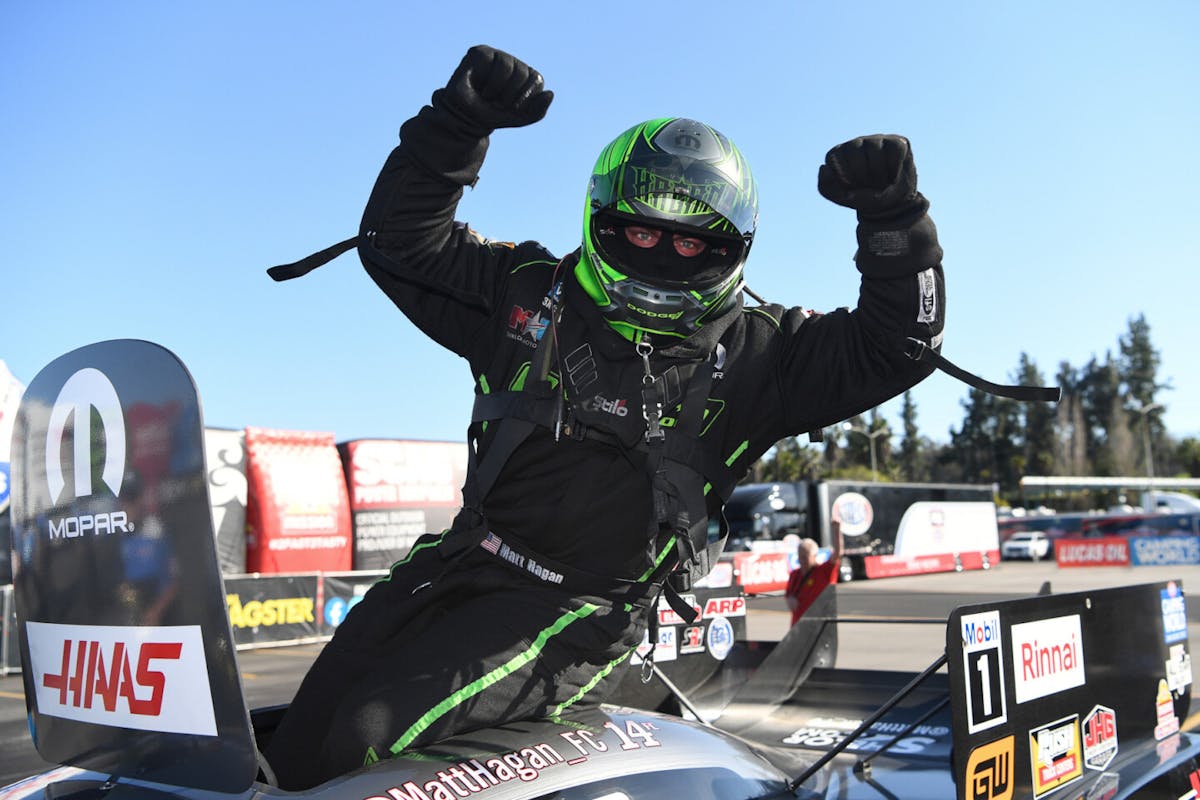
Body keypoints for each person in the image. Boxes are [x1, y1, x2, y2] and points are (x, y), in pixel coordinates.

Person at [264, 44, 946, 789]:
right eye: (643, 232)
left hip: (578, 615)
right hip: (460, 561)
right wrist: (457, 122)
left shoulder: (763, 355)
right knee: (298, 742)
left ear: (730, 250)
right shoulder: (528, 291)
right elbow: (398, 243)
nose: (663, 254)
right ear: (603, 221)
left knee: (363, 746)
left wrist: (894, 219)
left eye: (691, 241)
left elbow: (901, 344)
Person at [785, 520, 844, 625]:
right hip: (797, 626)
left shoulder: (824, 571)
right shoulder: (795, 574)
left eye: (805, 556)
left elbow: (837, 554)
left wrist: (836, 531)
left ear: (814, 555)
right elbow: (789, 594)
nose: (801, 560)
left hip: (819, 625)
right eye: (800, 556)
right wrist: (790, 600)